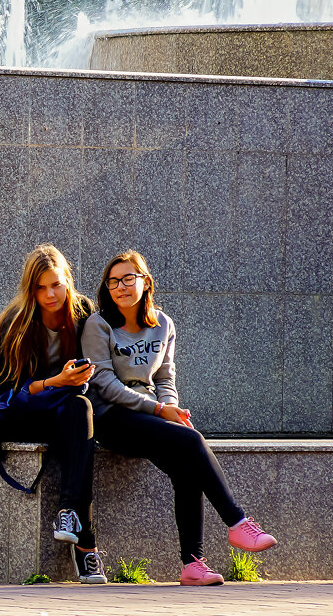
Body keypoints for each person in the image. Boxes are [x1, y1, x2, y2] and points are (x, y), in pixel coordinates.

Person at [81, 250, 276, 585]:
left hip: (151, 418)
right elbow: (104, 384)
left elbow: (164, 379)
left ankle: (192, 565)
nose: (120, 287)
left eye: (128, 278)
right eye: (113, 282)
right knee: (192, 441)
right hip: (111, 418)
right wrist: (159, 410)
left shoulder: (164, 324)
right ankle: (236, 522)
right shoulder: (98, 325)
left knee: (187, 464)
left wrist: (170, 411)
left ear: (145, 282)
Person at [0, 244, 106, 584]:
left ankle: (67, 513)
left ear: (68, 281)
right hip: (19, 408)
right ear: (31, 289)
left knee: (81, 410)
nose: (51, 294)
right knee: (77, 428)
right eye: (41, 287)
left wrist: (81, 377)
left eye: (57, 284)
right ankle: (87, 548)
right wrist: (56, 380)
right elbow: (15, 389)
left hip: (63, 405)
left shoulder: (83, 313)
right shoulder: (17, 321)